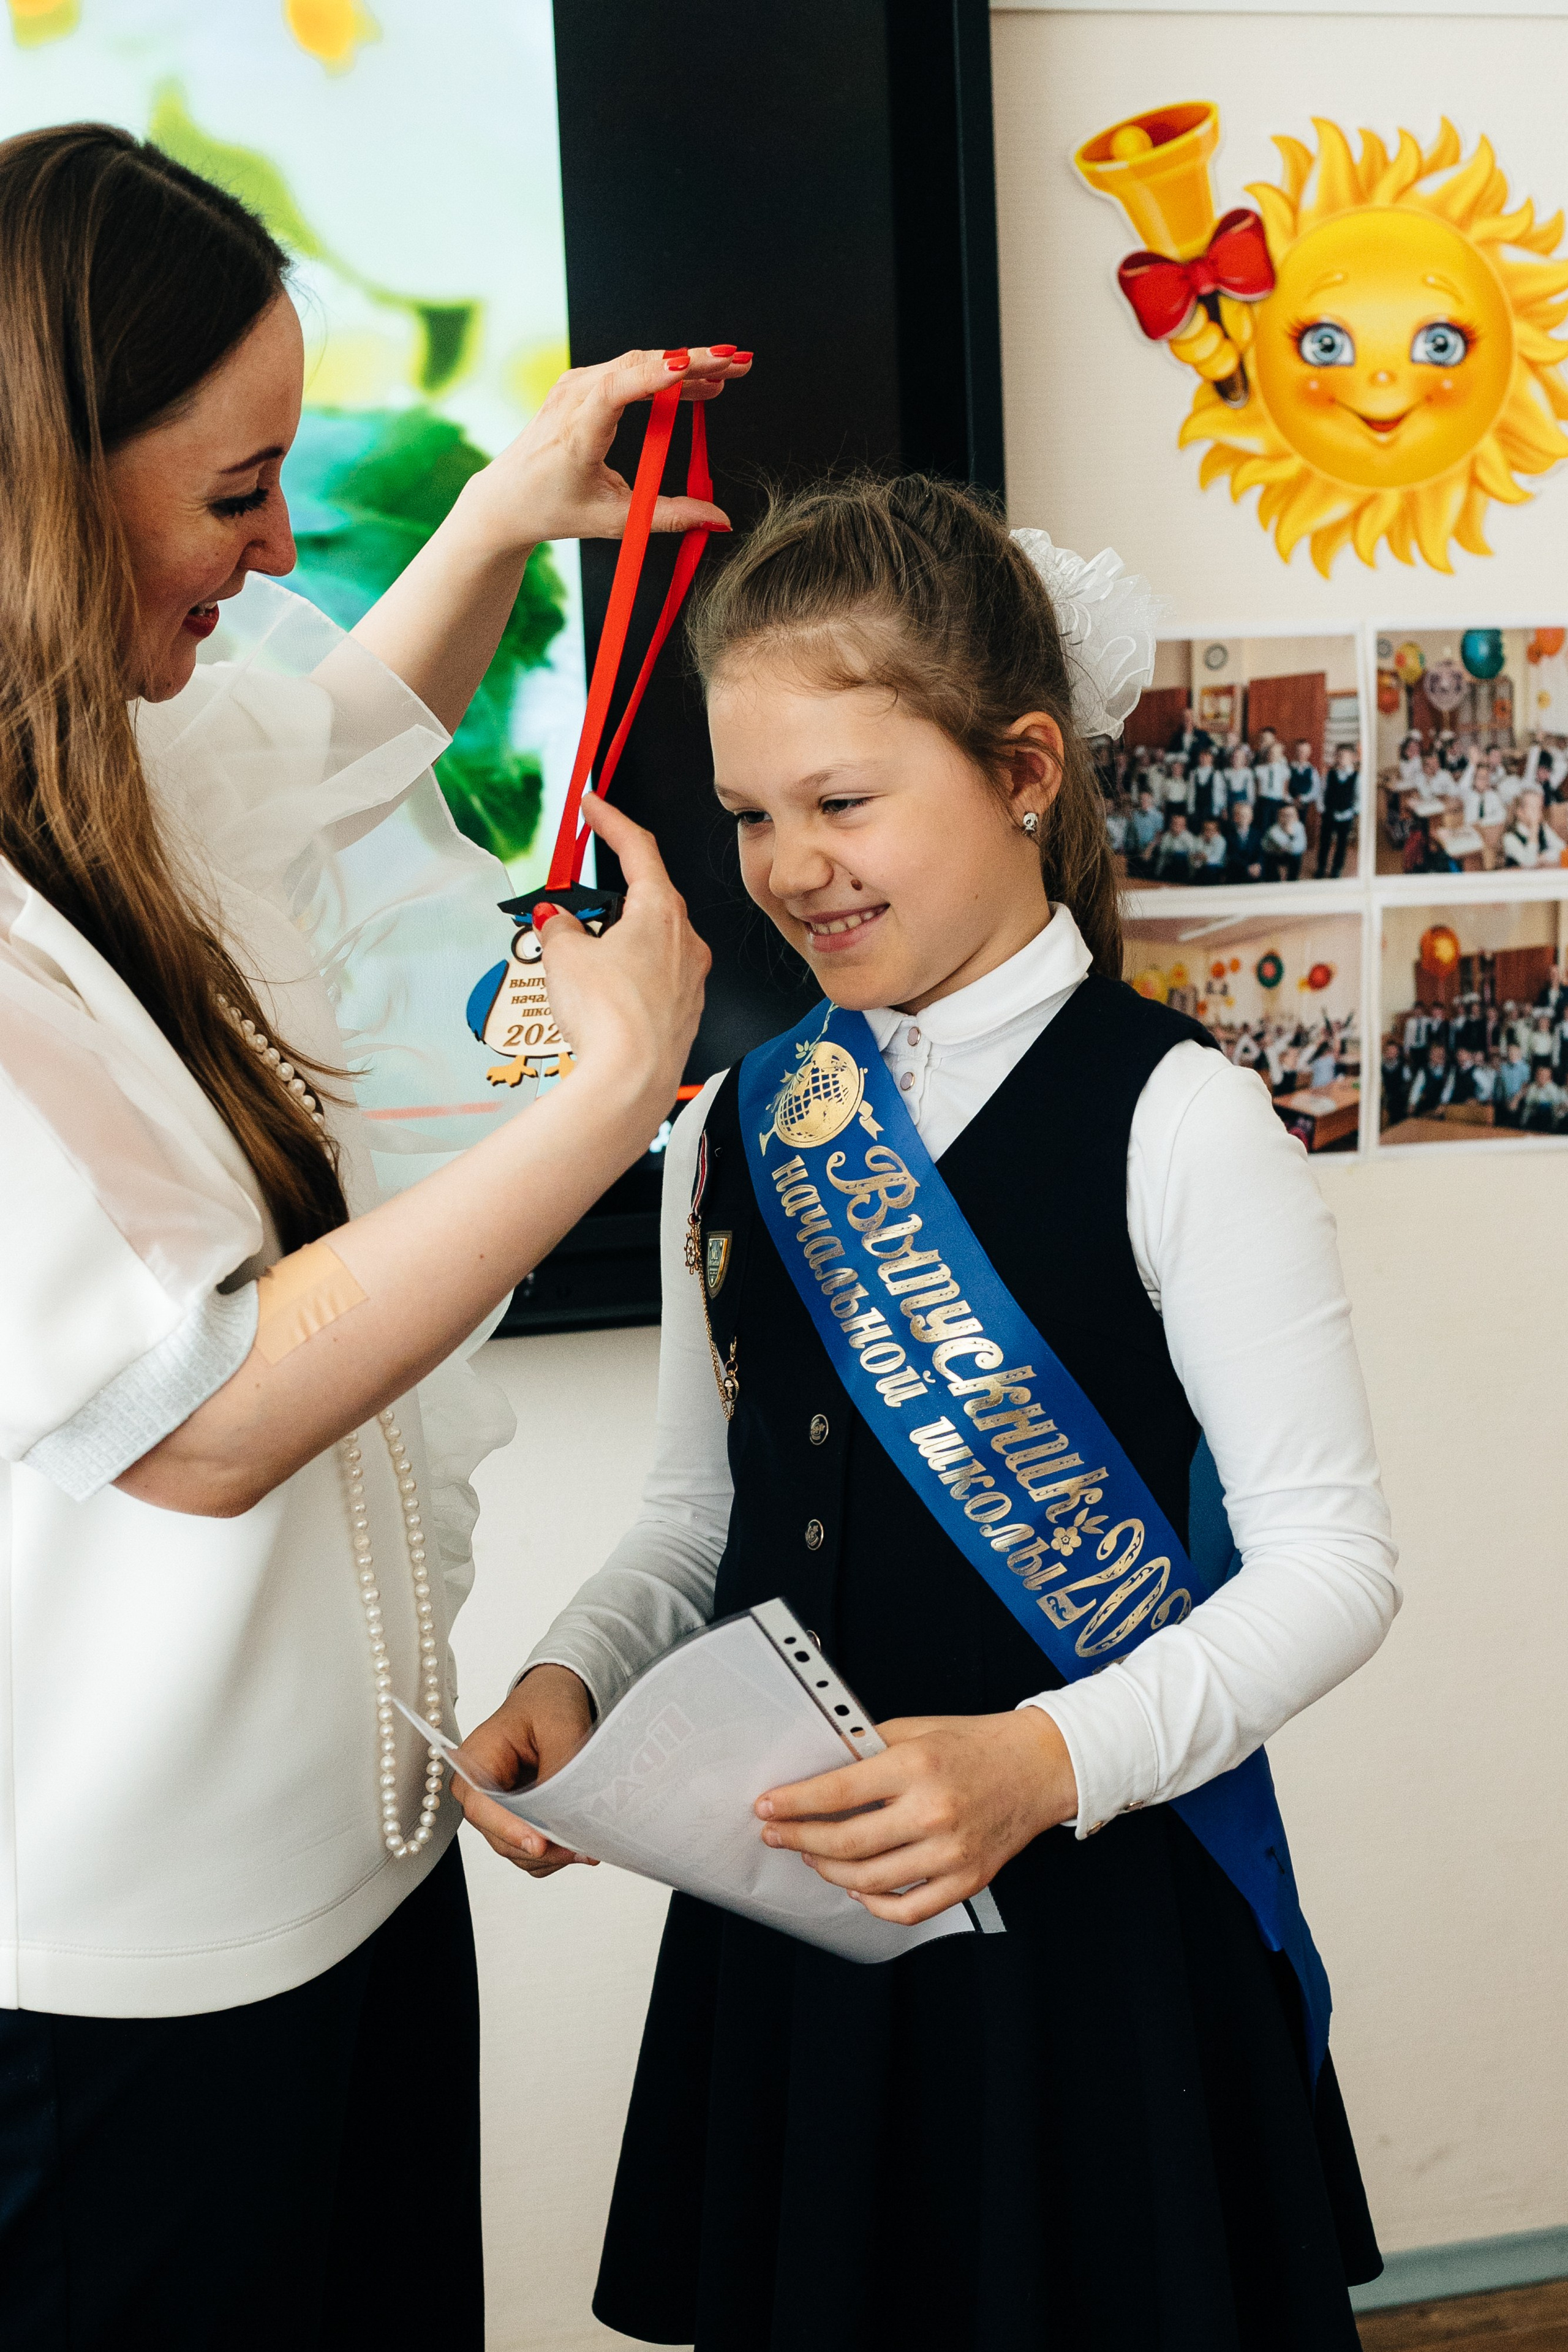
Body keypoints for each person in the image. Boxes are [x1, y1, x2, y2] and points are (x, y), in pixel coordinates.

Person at [457, 477, 1397, 2348]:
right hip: (798, 1920)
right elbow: (684, 1513)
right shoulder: (734, 1126)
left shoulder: (1173, 1114)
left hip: (1099, 1946)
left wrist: (1033, 1765)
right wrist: (577, 1674)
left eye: (840, 800)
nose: (790, 863)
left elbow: (1334, 1568)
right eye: (746, 815)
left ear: (1024, 767)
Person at [0, 125, 731, 2348]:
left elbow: (339, 721)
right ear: (41, 480)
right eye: (234, 492)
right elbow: (196, 1410)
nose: (284, 541)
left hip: (357, 1870)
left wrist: (511, 511)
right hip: (135, 1976)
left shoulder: (108, 744)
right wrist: (608, 1093)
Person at [1316, 747, 1360, 878]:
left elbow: (1359, 796)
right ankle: (1321, 867)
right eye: (1339, 756)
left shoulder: (1356, 776)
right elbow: (1321, 793)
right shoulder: (1329, 775)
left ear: (1353, 758)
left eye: (1345, 756)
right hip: (1329, 813)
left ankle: (1337, 868)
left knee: (1342, 844)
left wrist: (1354, 811)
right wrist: (1322, 809)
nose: (1341, 759)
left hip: (1346, 814)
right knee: (1325, 842)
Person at [1502, 785, 1561, 869]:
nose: (1538, 812)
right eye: (1533, 808)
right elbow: (1530, 863)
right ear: (1520, 812)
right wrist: (1534, 828)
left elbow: (1562, 850)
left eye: (1539, 808)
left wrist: (1542, 857)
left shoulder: (1543, 828)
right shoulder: (1509, 838)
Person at [1150, 806, 1202, 880]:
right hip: (1169, 865)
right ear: (1170, 824)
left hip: (1186, 868)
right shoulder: (1167, 836)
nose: (1176, 826)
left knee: (1179, 855)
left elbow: (1193, 856)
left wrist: (1192, 876)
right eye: (1174, 823)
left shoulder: (1189, 837)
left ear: (1185, 827)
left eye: (1180, 825)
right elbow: (1162, 855)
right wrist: (1157, 873)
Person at [1262, 802, 1308, 880]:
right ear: (1279, 817)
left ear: (1297, 816)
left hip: (1289, 854)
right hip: (1273, 854)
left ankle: (1292, 880)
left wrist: (1290, 836)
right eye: (1285, 816)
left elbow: (1302, 847)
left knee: (1297, 856)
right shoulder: (1273, 830)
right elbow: (1282, 845)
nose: (1288, 818)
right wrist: (1291, 834)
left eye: (1291, 815)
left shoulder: (1300, 826)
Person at [1227, 797, 1266, 883]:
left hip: (1254, 871)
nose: (1244, 818)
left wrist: (1257, 865)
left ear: (1251, 817)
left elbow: (1260, 852)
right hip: (1237, 871)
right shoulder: (1229, 834)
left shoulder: (1257, 834)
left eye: (1247, 815)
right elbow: (1231, 855)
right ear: (1235, 817)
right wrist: (1247, 868)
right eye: (1241, 815)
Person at [1379, 1039, 1411, 1128]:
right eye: (1389, 1052)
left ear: (1397, 1053)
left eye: (1394, 1052)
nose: (1391, 1054)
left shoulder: (1403, 1066)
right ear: (1384, 1053)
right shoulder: (1381, 1067)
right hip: (1387, 1095)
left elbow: (1408, 1082)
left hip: (1400, 1096)